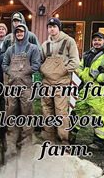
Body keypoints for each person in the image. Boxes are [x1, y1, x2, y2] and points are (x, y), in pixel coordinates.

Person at [73, 32, 104, 151]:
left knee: (98, 115)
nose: (97, 42)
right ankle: (70, 135)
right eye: (95, 40)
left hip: (100, 90)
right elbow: (79, 68)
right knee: (78, 110)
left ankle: (99, 142)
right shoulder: (88, 54)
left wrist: (97, 77)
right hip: (86, 88)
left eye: (99, 40)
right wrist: (84, 75)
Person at [2, 24, 40, 159]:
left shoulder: (32, 48)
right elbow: (4, 64)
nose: (19, 34)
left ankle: (26, 146)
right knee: (11, 115)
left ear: (26, 33)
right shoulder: (10, 50)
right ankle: (11, 145)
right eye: (17, 32)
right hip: (12, 87)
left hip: (26, 87)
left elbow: (36, 64)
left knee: (27, 115)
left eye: (21, 31)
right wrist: (10, 71)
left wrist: (24, 71)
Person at [40, 17, 80, 145]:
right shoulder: (44, 44)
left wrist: (61, 71)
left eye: (54, 26)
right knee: (46, 110)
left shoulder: (69, 41)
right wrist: (45, 70)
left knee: (61, 112)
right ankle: (49, 138)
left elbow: (75, 62)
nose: (52, 29)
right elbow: (40, 62)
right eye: (49, 27)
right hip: (46, 82)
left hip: (62, 82)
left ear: (59, 28)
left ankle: (64, 140)